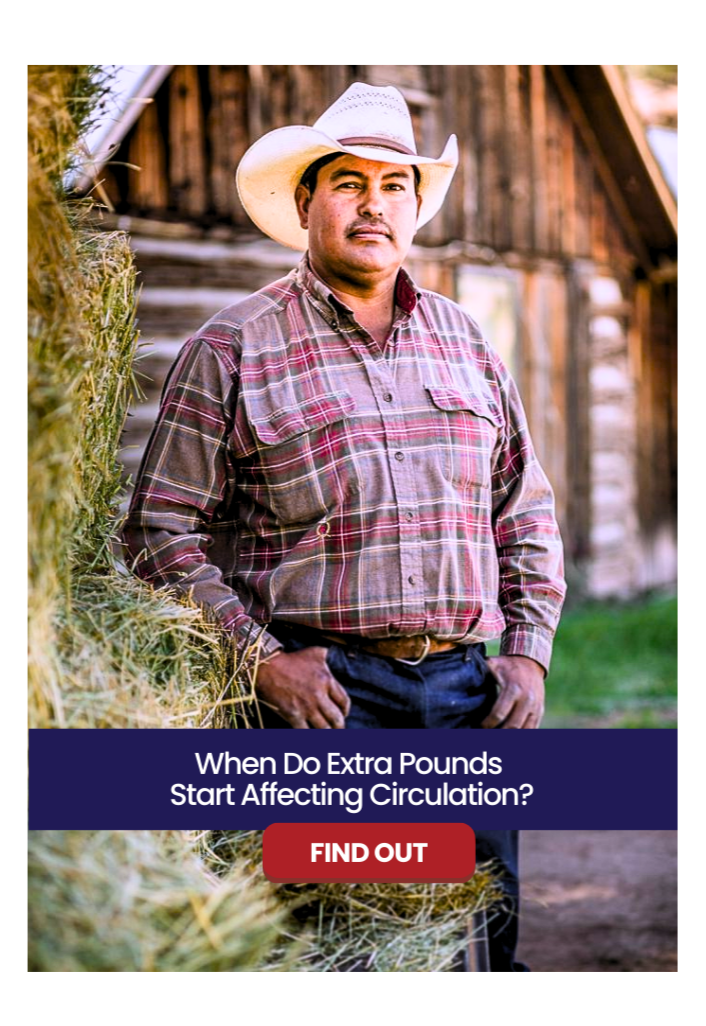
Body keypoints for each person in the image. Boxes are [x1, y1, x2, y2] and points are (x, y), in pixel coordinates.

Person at [122, 82, 566, 970]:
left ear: (414, 205)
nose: (375, 204)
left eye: (395, 184)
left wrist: (528, 648)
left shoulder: (467, 342)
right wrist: (262, 659)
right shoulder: (232, 346)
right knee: (342, 951)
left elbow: (525, 507)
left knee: (484, 943)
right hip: (326, 706)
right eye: (350, 183)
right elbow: (157, 528)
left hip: (472, 699)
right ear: (305, 203)